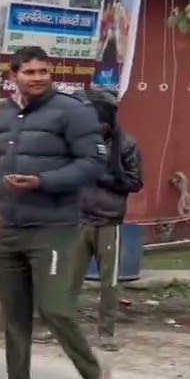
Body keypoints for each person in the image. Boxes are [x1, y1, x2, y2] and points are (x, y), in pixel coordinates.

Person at [0, 46, 112, 379]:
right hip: (11, 229)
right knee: (14, 315)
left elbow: (93, 163)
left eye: (43, 71)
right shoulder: (4, 116)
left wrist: (42, 181)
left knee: (54, 309)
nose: (37, 77)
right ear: (13, 75)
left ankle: (95, 376)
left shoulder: (72, 112)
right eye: (29, 72)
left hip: (53, 229)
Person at [35, 87, 143, 351]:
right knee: (67, 279)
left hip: (109, 222)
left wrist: (103, 177)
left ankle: (106, 334)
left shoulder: (127, 145)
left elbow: (135, 182)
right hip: (79, 220)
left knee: (110, 284)